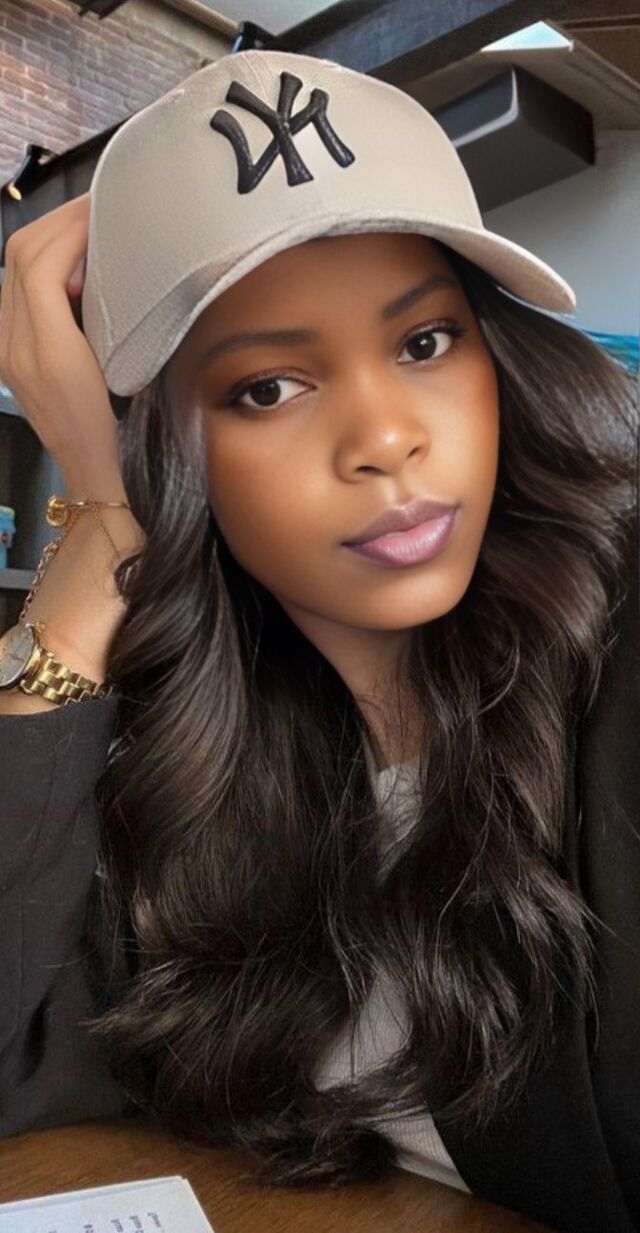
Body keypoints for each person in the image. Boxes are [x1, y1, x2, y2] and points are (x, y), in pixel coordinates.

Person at [0, 48, 637, 1233]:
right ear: (161, 448)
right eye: (267, 388)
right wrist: (96, 528)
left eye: (425, 342)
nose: (385, 439)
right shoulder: (194, 765)